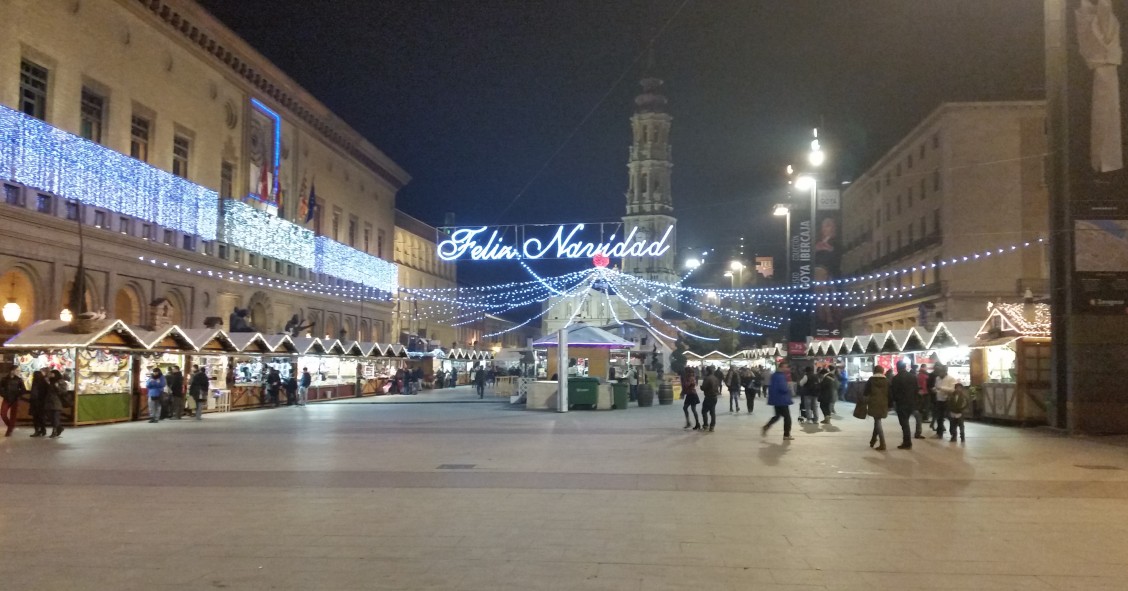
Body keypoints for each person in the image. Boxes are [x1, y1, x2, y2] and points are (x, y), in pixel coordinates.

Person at [889, 361, 919, 449]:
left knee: (904, 423)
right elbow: (916, 390)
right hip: (911, 402)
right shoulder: (913, 377)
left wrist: (893, 402)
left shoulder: (896, 378)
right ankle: (907, 441)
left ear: (897, 367)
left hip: (901, 403)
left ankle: (907, 442)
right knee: (906, 422)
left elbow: (893, 392)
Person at [762, 362, 795, 440]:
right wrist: (788, 389)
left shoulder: (774, 375)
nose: (787, 369)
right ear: (781, 367)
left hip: (776, 400)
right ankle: (786, 434)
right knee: (787, 418)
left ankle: (767, 426)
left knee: (777, 415)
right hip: (782, 400)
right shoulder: (781, 376)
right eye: (786, 367)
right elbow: (783, 388)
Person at [863, 365, 889, 451]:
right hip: (883, 403)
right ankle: (873, 440)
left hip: (873, 402)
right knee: (877, 421)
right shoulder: (886, 381)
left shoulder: (871, 380)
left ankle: (883, 443)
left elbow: (865, 392)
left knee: (877, 421)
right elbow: (890, 393)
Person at [933, 364, 958, 439]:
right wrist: (935, 389)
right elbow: (937, 387)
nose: (939, 373)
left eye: (940, 372)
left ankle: (953, 434)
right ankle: (939, 433)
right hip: (939, 400)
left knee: (950, 417)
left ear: (944, 371)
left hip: (948, 400)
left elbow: (953, 390)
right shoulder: (937, 378)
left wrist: (941, 388)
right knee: (939, 417)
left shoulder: (951, 379)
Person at [1, 368, 26, 437]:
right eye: (16, 370)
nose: (17, 372)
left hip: (15, 399)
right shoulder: (4, 379)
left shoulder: (19, 379)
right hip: (7, 398)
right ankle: (10, 426)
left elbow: (23, 389)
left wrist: (18, 395)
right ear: (11, 370)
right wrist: (4, 394)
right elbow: (0, 388)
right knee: (3, 414)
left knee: (13, 415)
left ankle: (9, 430)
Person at [44, 370, 67, 438]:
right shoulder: (50, 381)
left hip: (56, 402)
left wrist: (57, 387)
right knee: (49, 416)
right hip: (48, 402)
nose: (51, 374)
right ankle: (59, 427)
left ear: (56, 374)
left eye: (52, 373)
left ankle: (54, 432)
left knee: (55, 417)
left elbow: (64, 391)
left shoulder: (60, 381)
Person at [28, 368, 49, 437]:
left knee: (36, 418)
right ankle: (43, 430)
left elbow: (33, 394)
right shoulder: (44, 383)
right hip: (42, 403)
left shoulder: (35, 383)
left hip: (36, 403)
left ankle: (37, 431)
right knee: (41, 417)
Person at [700, 366, 720, 432]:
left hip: (708, 396)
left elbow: (704, 387)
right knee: (712, 411)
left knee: (704, 411)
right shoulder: (715, 378)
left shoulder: (707, 378)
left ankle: (705, 425)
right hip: (714, 397)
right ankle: (712, 426)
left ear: (707, 371)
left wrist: (701, 387)